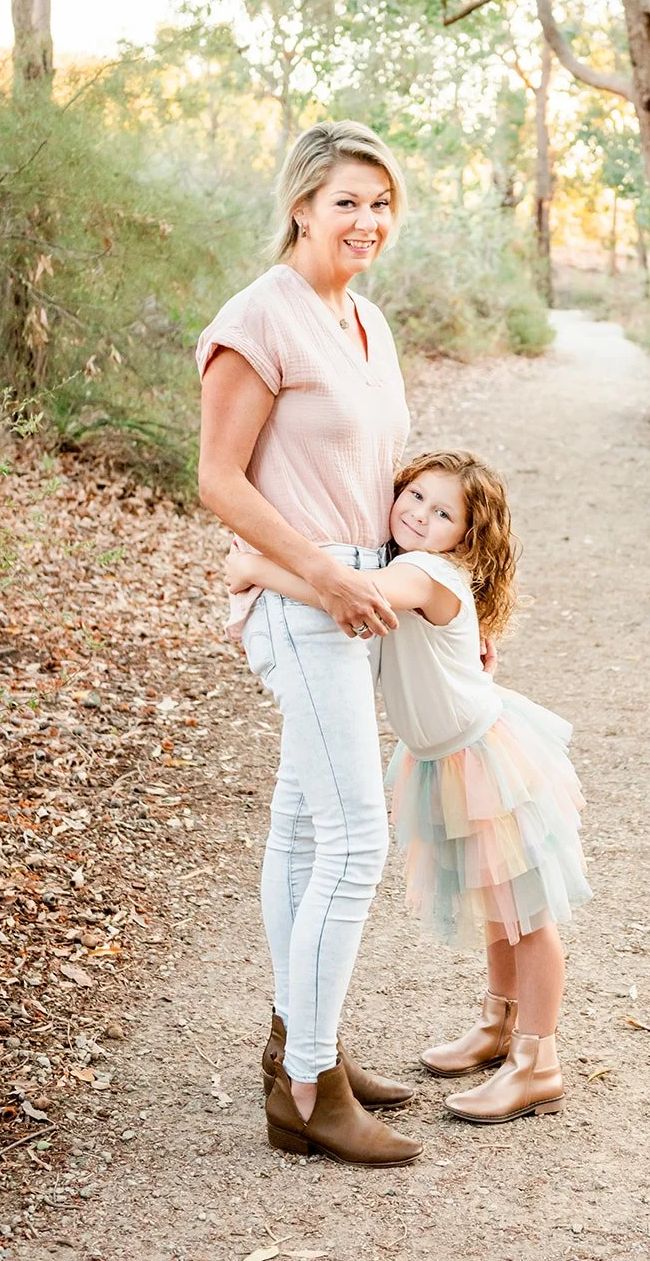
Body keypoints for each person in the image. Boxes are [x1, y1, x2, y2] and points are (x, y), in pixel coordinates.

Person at [228, 450, 592, 1126]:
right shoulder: (420, 566)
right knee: (497, 902)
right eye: (416, 496)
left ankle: (537, 1060)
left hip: (485, 759)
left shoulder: (422, 571)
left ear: (467, 534)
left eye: (444, 511)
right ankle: (498, 1023)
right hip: (446, 758)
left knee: (527, 912)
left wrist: (255, 568)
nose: (421, 514)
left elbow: (350, 597)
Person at [197, 121, 423, 1169]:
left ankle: (302, 1043)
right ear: (301, 205)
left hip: (365, 591)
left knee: (301, 828)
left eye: (382, 201)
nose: (368, 220)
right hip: (303, 596)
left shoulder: (367, 318)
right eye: (347, 201)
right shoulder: (257, 319)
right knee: (356, 839)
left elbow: (384, 470)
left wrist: (432, 598)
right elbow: (219, 480)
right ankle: (310, 1092)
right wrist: (321, 574)